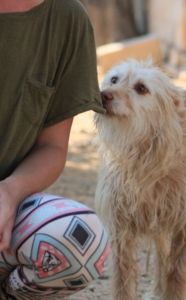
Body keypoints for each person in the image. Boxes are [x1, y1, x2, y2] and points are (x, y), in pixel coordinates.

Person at [0, 0, 108, 299]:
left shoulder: (66, 18)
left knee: (79, 240)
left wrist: (8, 193)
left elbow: (52, 147)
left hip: (6, 211)